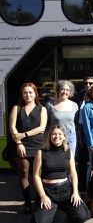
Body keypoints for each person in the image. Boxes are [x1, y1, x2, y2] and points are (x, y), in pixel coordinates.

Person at [32, 125, 90, 223]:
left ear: (64, 137)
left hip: (66, 190)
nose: (56, 136)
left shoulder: (68, 152)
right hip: (48, 191)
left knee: (82, 216)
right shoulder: (41, 153)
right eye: (54, 134)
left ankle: (59, 211)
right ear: (50, 136)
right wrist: (42, 196)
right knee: (41, 221)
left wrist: (75, 192)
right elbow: (36, 176)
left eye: (60, 134)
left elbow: (73, 174)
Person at [9, 83, 47, 213]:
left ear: (35, 93)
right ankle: (27, 203)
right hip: (21, 146)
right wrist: (19, 142)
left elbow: (42, 128)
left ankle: (39, 201)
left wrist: (24, 134)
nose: (28, 95)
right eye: (25, 92)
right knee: (24, 174)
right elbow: (12, 127)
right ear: (22, 94)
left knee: (39, 175)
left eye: (30, 92)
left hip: (38, 145)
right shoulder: (17, 107)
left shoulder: (42, 108)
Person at [46, 80, 79, 156]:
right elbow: (47, 124)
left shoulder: (74, 105)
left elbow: (77, 123)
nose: (65, 92)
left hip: (71, 136)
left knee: (70, 159)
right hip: (55, 136)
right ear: (58, 90)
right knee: (56, 158)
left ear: (70, 92)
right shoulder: (50, 105)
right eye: (62, 89)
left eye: (67, 90)